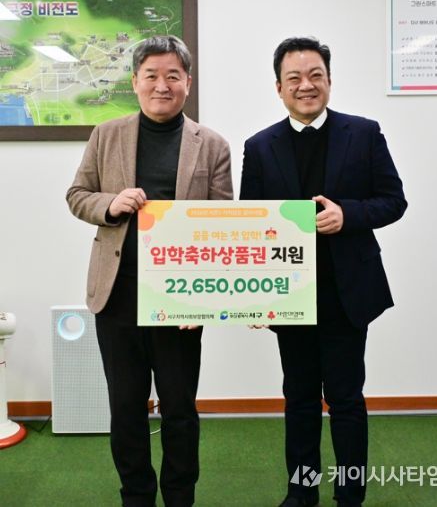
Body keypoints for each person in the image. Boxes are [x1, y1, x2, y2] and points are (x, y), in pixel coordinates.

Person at [240, 37, 407, 507]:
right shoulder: (260, 146)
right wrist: (253, 298)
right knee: (299, 399)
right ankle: (302, 491)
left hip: (346, 292)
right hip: (289, 294)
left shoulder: (364, 133)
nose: (306, 85)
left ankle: (350, 495)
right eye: (294, 77)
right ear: (279, 87)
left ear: (329, 80)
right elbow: (251, 222)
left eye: (315, 75)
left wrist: (347, 214)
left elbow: (393, 201)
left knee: (347, 399)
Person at [66, 35, 233, 507]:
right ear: (135, 81)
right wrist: (110, 204)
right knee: (125, 409)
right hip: (117, 297)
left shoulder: (212, 145)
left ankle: (180, 496)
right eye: (152, 76)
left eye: (173, 76)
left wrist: (204, 300)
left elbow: (222, 225)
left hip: (180, 301)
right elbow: (77, 196)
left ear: (188, 83)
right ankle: (136, 496)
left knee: (179, 409)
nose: (163, 86)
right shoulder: (106, 135)